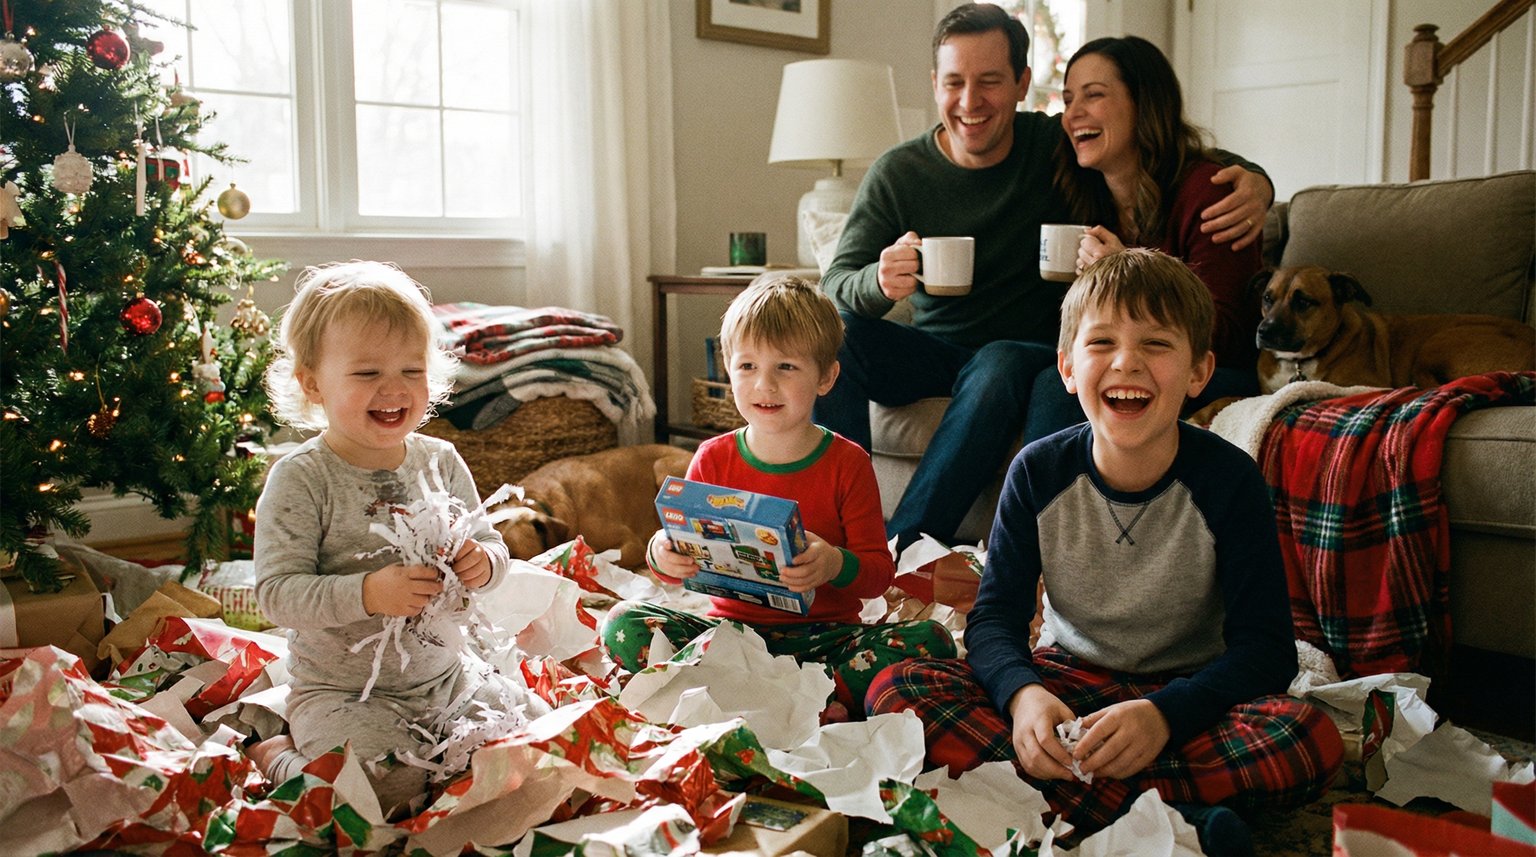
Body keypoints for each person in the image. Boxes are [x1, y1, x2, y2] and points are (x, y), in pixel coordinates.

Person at [865, 250, 1343, 855]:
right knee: (895, 690)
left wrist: (1164, 716)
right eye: (1102, 343)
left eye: (1156, 344)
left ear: (1199, 372)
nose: (1127, 362)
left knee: (1308, 736)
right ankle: (1176, 818)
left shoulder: (1230, 478)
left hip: (1188, 695)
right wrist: (1023, 698)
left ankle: (1068, 797)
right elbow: (994, 622)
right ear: (1067, 367)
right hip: (1069, 684)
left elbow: (1267, 649)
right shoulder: (1037, 472)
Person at [816, 2, 1272, 552]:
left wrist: (1256, 181)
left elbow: (1155, 145)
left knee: (1003, 359)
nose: (970, 101)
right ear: (935, 84)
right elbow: (838, 281)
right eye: (955, 82)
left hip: (1027, 353)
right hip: (937, 352)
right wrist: (877, 282)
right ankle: (839, 534)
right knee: (835, 335)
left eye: (990, 81)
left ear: (1021, 84)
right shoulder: (900, 172)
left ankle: (898, 551)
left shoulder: (1053, 145)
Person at [248, 261, 547, 818]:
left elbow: (492, 548)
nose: (394, 389)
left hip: (448, 678)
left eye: (412, 370)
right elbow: (276, 593)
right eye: (367, 374)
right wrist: (365, 593)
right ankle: (280, 755)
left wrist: (483, 563)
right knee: (379, 793)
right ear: (312, 383)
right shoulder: (301, 478)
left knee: (531, 749)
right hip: (342, 693)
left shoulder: (441, 460)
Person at [601, 276, 955, 722]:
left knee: (933, 641)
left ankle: (800, 694)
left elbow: (878, 576)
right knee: (621, 624)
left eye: (785, 367)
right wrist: (660, 553)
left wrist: (832, 563)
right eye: (747, 367)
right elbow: (676, 550)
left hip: (825, 640)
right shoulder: (712, 458)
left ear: (826, 377)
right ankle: (790, 697)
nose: (763, 385)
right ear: (729, 369)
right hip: (730, 639)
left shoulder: (848, 463)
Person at [1022, 35, 1264, 441]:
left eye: (1093, 95)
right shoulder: (1084, 193)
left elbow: (1230, 334)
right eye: (1067, 100)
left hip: (1206, 370)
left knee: (1055, 385)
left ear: (1145, 104)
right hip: (1119, 358)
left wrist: (1130, 275)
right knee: (1008, 361)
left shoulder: (1211, 192)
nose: (1073, 114)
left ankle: (1051, 505)